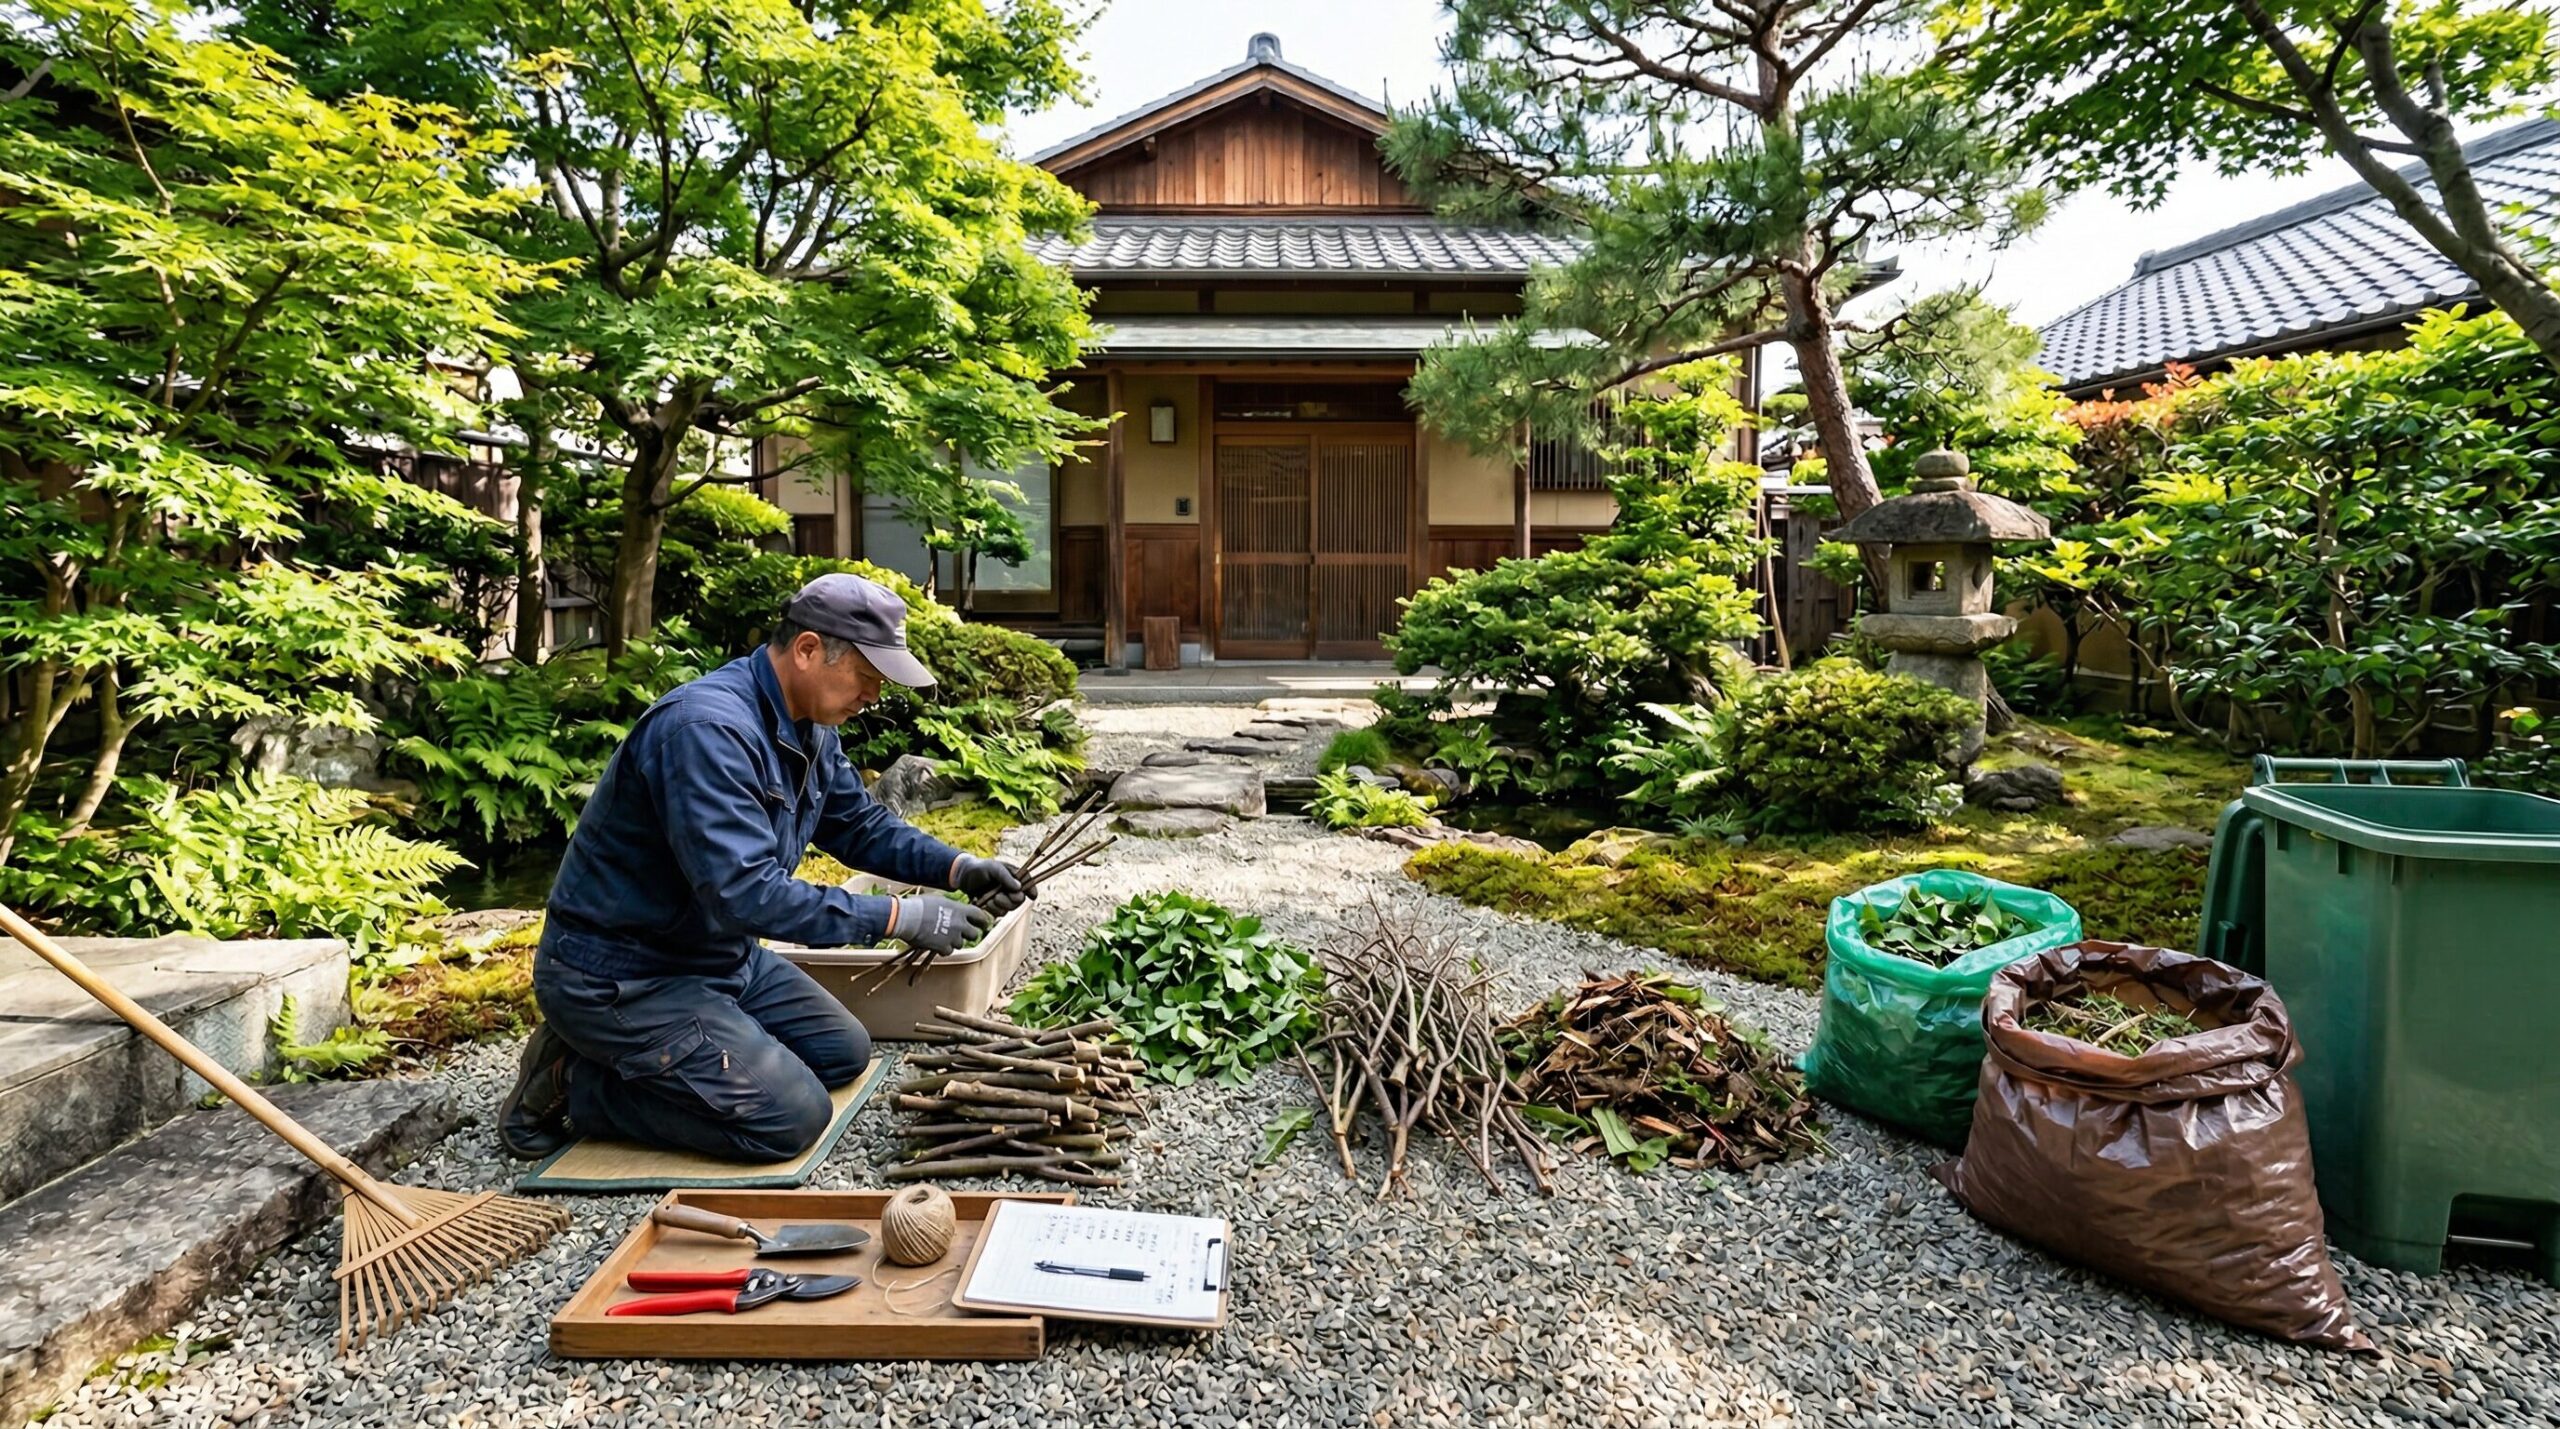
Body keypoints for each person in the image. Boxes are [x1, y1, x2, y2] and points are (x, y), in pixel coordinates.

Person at [498, 573, 1031, 1162]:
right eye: (868, 677)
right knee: (790, 1119)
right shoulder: (708, 731)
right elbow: (747, 893)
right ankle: (573, 1081)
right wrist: (900, 916)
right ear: (807, 650)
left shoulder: (809, 726)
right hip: (623, 975)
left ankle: (646, 1055)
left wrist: (960, 868)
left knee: (842, 1052)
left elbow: (858, 825)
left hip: (717, 955)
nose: (874, 697)